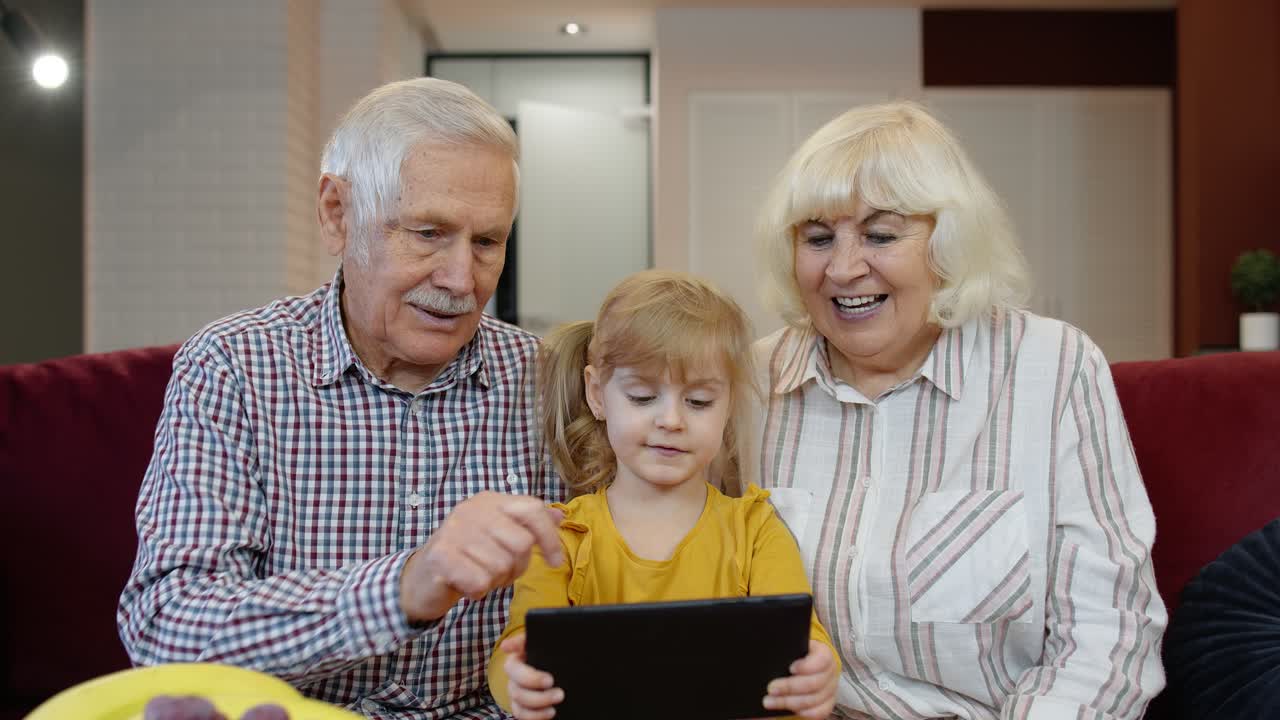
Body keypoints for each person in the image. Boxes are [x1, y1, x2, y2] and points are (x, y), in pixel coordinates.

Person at [117, 78, 565, 719]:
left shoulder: (545, 381)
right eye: (429, 232)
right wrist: (405, 588)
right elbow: (166, 628)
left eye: (487, 242)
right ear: (337, 214)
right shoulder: (235, 366)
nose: (461, 280)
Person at [748, 101, 1166, 719]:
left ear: (949, 243)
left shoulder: (1051, 366)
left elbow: (1109, 635)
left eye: (881, 235)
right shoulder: (749, 384)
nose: (842, 267)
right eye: (817, 239)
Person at [486, 270, 840, 720]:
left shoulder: (755, 529)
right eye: (642, 397)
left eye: (698, 403)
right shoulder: (562, 537)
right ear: (597, 394)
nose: (671, 421)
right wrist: (516, 683)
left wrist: (817, 671)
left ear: (729, 405)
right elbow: (516, 650)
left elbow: (804, 642)